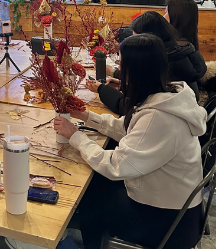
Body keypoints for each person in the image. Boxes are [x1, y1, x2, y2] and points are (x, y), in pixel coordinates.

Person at [56, 34, 207, 249]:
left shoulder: (160, 117)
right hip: (173, 202)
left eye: (121, 64)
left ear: (136, 71)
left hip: (171, 223)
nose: (119, 68)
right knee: (96, 182)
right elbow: (131, 129)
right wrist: (87, 117)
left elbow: (115, 166)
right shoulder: (168, 96)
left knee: (90, 198)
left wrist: (75, 136)